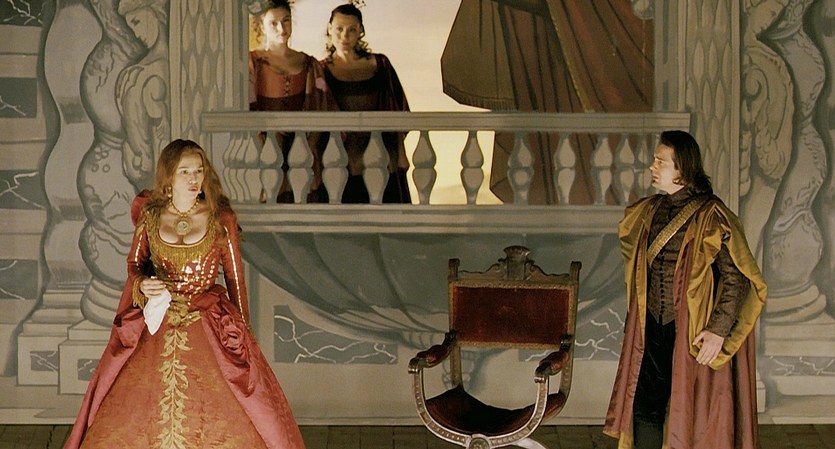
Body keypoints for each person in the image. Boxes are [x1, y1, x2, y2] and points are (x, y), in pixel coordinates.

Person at [64, 139, 306, 449]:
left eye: (199, 171)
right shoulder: (150, 217)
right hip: (157, 323)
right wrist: (142, 284)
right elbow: (134, 266)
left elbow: (235, 278)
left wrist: (243, 335)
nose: (194, 179)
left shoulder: (220, 219)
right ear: (169, 177)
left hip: (208, 321)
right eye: (185, 171)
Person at [603, 130, 768, 449]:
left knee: (696, 416)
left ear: (682, 168)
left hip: (694, 333)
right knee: (645, 407)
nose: (652, 167)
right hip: (653, 327)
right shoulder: (649, 211)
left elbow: (736, 278)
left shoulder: (712, 216)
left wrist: (718, 331)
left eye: (660, 161)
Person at [321, 2, 411, 203]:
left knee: (388, 216)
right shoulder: (321, 71)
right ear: (330, 29)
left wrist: (402, 154)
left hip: (383, 157)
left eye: (351, 30)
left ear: (360, 31)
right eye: (339, 29)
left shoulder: (380, 64)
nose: (345, 36)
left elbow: (397, 111)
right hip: (343, 161)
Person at [250, 0, 337, 203]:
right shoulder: (253, 62)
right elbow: (248, 106)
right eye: (273, 23)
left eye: (286, 20)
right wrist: (262, 146)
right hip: (265, 149)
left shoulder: (309, 63)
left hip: (303, 148)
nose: (282, 29)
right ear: (262, 26)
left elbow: (322, 108)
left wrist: (310, 146)